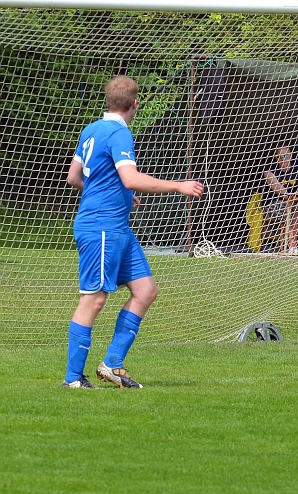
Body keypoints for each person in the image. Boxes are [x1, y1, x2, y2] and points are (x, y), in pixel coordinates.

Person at [64, 76, 205, 389]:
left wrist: (117, 193)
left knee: (145, 291)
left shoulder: (91, 129)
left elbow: (75, 176)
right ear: (135, 104)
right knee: (94, 299)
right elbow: (130, 178)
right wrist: (177, 185)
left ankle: (112, 364)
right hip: (100, 227)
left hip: (118, 228)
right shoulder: (118, 133)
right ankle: (73, 379)